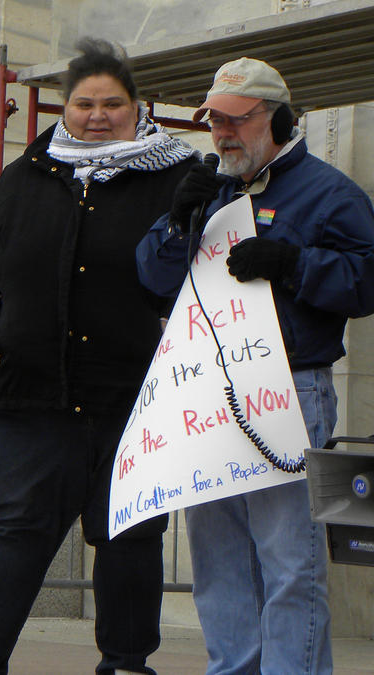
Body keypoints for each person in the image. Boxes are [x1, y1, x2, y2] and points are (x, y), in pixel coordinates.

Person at [0, 38, 197, 675]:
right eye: (84, 103)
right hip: (33, 399)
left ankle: (127, 662)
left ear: (138, 109)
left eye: (113, 103)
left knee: (131, 538)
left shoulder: (177, 178)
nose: (98, 115)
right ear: (65, 107)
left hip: (133, 401)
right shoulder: (25, 176)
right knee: (11, 535)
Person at [136, 57, 374, 674]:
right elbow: (151, 276)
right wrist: (176, 219)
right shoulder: (208, 188)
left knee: (290, 563)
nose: (222, 135)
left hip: (288, 390)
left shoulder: (329, 193)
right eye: (214, 121)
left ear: (280, 120)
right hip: (208, 395)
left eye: (237, 121)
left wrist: (294, 264)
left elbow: (366, 283)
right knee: (219, 563)